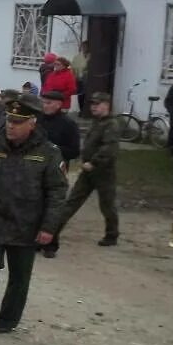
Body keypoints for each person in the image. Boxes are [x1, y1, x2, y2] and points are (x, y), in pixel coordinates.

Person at [0, 94, 66, 332]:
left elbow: (57, 192)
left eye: (18, 122)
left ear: (32, 123)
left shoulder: (48, 153)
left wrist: (49, 228)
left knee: (19, 277)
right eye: (9, 120)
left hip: (27, 223)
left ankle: (7, 319)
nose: (11, 125)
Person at [55, 92, 120, 248]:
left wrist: (94, 162)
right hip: (88, 171)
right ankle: (53, 231)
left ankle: (112, 235)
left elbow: (109, 148)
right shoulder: (97, 122)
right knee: (72, 201)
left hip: (104, 172)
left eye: (97, 104)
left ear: (106, 105)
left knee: (107, 204)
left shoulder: (111, 124)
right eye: (92, 104)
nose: (93, 107)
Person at [37, 89, 82, 257]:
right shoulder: (37, 120)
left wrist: (53, 149)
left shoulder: (68, 124)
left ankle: (50, 244)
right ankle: (36, 240)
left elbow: (74, 151)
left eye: (48, 103)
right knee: (35, 204)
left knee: (53, 207)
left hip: (57, 171)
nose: (45, 106)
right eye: (43, 102)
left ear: (58, 104)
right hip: (36, 168)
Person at [70, 41, 90, 115]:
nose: (84, 48)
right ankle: (81, 110)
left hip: (89, 79)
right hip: (79, 79)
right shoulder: (78, 57)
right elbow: (73, 68)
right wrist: (73, 78)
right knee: (80, 95)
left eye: (86, 46)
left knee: (87, 95)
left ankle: (87, 111)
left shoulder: (91, 57)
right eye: (83, 46)